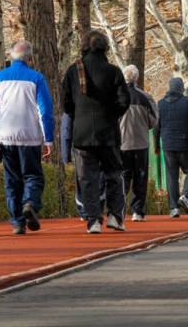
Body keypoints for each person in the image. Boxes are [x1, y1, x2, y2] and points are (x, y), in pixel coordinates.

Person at [0, 40, 54, 235]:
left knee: (12, 180)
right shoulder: (37, 78)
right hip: (30, 137)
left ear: (11, 56)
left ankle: (18, 223)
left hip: (6, 137)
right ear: (30, 57)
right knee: (33, 176)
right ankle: (30, 203)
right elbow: (44, 110)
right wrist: (48, 140)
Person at [62, 30, 130, 234]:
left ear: (84, 45)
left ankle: (93, 220)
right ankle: (115, 217)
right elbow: (124, 101)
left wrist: (79, 116)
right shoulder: (114, 71)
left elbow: (66, 102)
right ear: (105, 47)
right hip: (108, 134)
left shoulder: (73, 71)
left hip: (82, 135)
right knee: (114, 175)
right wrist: (111, 115)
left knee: (87, 178)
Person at [154, 77, 188, 218]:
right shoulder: (187, 102)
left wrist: (156, 145)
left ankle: (174, 208)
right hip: (185, 144)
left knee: (171, 177)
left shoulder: (160, 104)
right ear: (181, 89)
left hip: (167, 145)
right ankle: (186, 196)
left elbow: (156, 127)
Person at [120, 65, 158, 221]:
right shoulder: (145, 97)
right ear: (138, 79)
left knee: (123, 177)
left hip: (122, 143)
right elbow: (154, 120)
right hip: (141, 143)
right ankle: (137, 211)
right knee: (140, 177)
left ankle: (119, 210)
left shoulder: (117, 97)